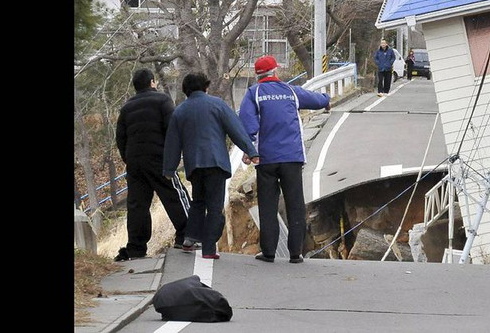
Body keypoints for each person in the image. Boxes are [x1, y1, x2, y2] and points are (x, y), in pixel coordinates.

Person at [238, 55, 331, 264]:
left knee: (268, 205)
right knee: (295, 204)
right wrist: (326, 100)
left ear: (258, 75)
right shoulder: (290, 91)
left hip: (266, 159)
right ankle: (295, 253)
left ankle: (269, 252)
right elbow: (315, 99)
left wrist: (248, 148)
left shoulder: (254, 93)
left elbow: (248, 124)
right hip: (292, 157)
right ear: (275, 72)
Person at [163, 72, 258, 259]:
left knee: (198, 202)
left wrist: (169, 168)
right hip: (216, 163)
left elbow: (172, 143)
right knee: (214, 206)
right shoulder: (217, 105)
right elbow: (235, 129)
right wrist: (251, 151)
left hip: (194, 165)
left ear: (186, 90)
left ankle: (189, 239)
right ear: (205, 87)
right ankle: (208, 249)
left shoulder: (180, 111)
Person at [114, 69, 191, 261]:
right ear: (152, 82)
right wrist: (173, 156)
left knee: (137, 205)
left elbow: (120, 137)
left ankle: (136, 247)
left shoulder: (126, 107)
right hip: (159, 158)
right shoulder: (162, 100)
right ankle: (188, 234)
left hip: (135, 163)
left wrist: (128, 158)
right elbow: (172, 129)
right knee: (173, 194)